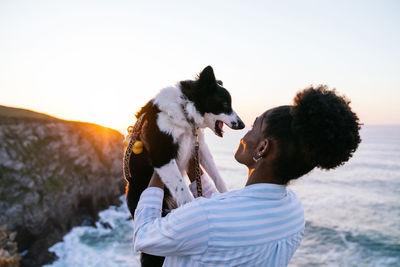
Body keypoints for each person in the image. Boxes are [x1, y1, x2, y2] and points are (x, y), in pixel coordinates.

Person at [133, 85, 361, 266]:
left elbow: (144, 237)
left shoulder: (206, 219)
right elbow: (225, 212)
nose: (245, 132)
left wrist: (163, 163)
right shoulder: (294, 212)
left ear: (262, 148)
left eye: (254, 127)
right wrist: (193, 165)